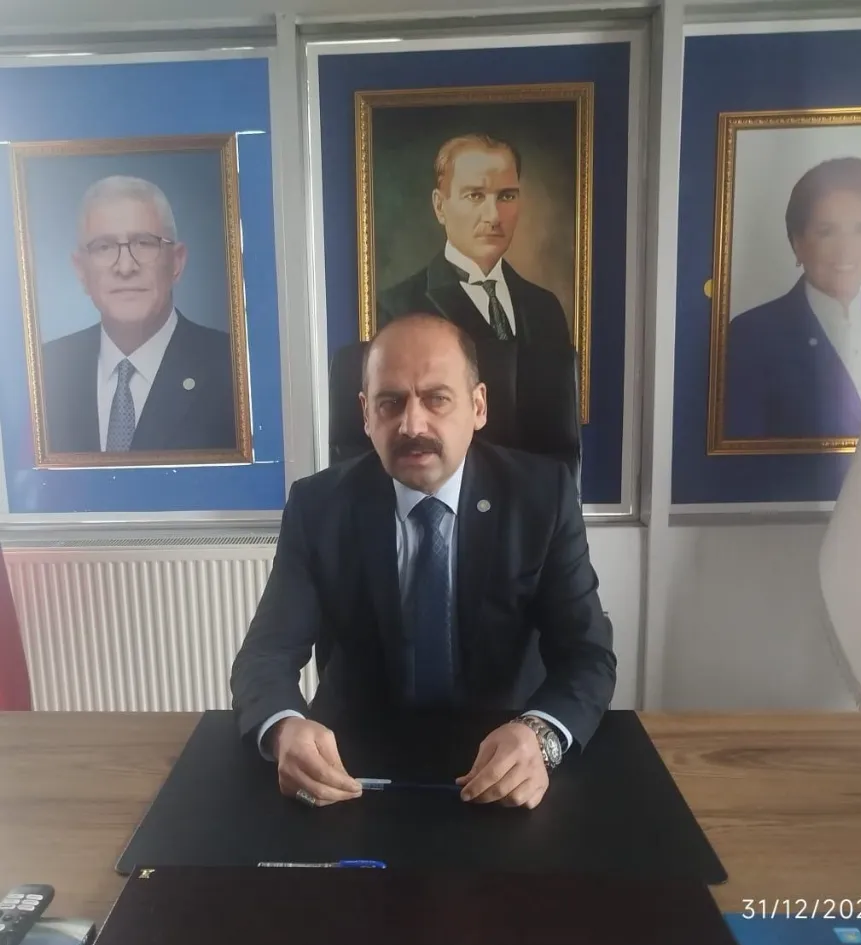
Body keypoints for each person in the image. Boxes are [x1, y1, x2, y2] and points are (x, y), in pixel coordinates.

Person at [230, 313, 615, 809]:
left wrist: (540, 735)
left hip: (504, 754)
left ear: (478, 407)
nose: (412, 425)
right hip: (353, 767)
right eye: (390, 403)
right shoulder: (318, 506)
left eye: (437, 399)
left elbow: (587, 655)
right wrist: (285, 728)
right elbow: (265, 655)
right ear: (365, 415)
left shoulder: (542, 498)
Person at [41, 175, 236, 454]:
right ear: (81, 271)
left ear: (176, 262)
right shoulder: (43, 371)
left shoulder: (233, 368)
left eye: (144, 243)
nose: (125, 267)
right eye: (104, 247)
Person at [725, 157, 861, 440]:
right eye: (826, 232)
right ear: (797, 243)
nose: (846, 249)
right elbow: (739, 454)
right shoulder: (751, 335)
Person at [376, 133, 571, 348]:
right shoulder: (396, 309)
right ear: (440, 206)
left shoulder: (545, 307)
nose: (494, 216)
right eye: (475, 196)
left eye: (506, 196)